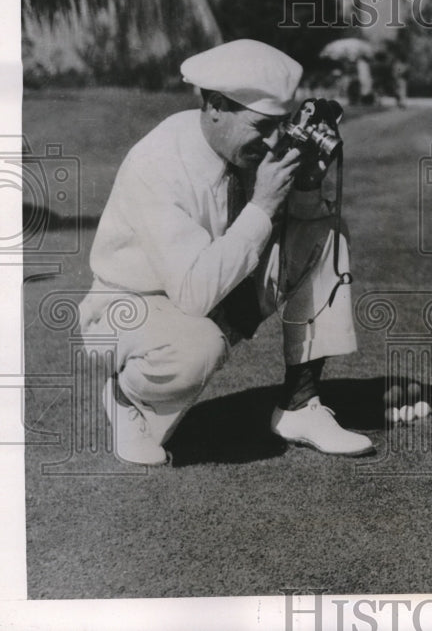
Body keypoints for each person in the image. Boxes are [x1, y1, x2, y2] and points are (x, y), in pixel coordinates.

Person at [79, 39, 374, 465]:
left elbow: (299, 235)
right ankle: (128, 397)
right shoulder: (157, 162)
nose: (275, 141)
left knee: (325, 232)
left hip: (212, 292)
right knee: (198, 346)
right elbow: (195, 295)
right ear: (216, 105)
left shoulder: (248, 146)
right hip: (130, 310)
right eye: (262, 125)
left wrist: (308, 184)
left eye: (282, 124)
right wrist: (264, 205)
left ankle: (299, 405)